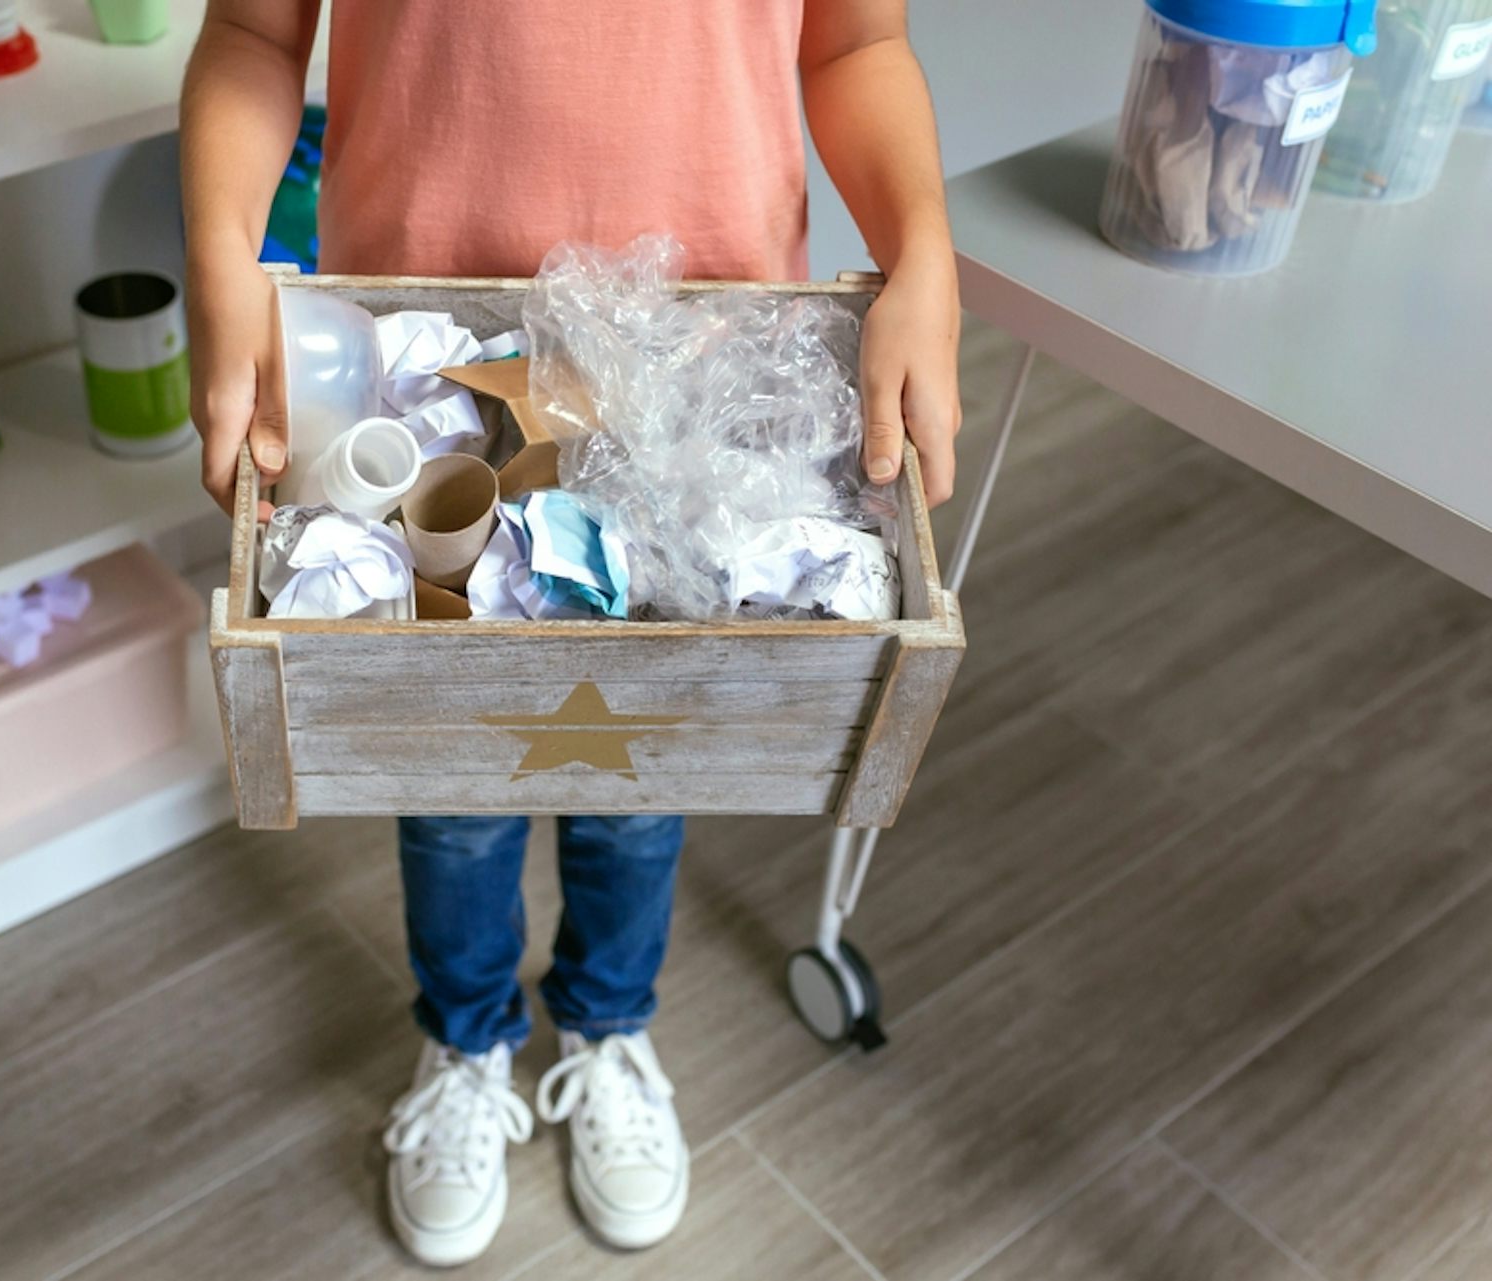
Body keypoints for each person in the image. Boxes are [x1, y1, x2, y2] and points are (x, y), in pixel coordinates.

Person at [182, 1, 960, 1265]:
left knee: (639, 767)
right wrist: (221, 257)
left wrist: (923, 249)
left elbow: (857, 43)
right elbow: (256, 37)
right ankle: (469, 1035)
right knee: (451, 779)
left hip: (706, 371)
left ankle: (606, 1025)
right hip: (418, 370)